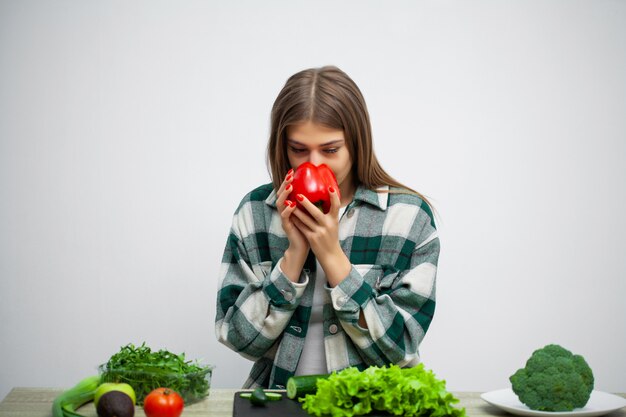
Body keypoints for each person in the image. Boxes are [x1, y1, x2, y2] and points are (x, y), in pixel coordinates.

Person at [215, 66, 439, 389]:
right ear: (283, 146)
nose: (314, 164)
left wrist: (332, 257)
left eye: (331, 149)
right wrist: (293, 257)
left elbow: (401, 347)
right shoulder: (254, 213)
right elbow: (236, 337)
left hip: (371, 409)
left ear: (356, 143)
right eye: (299, 149)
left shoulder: (409, 219)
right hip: (279, 403)